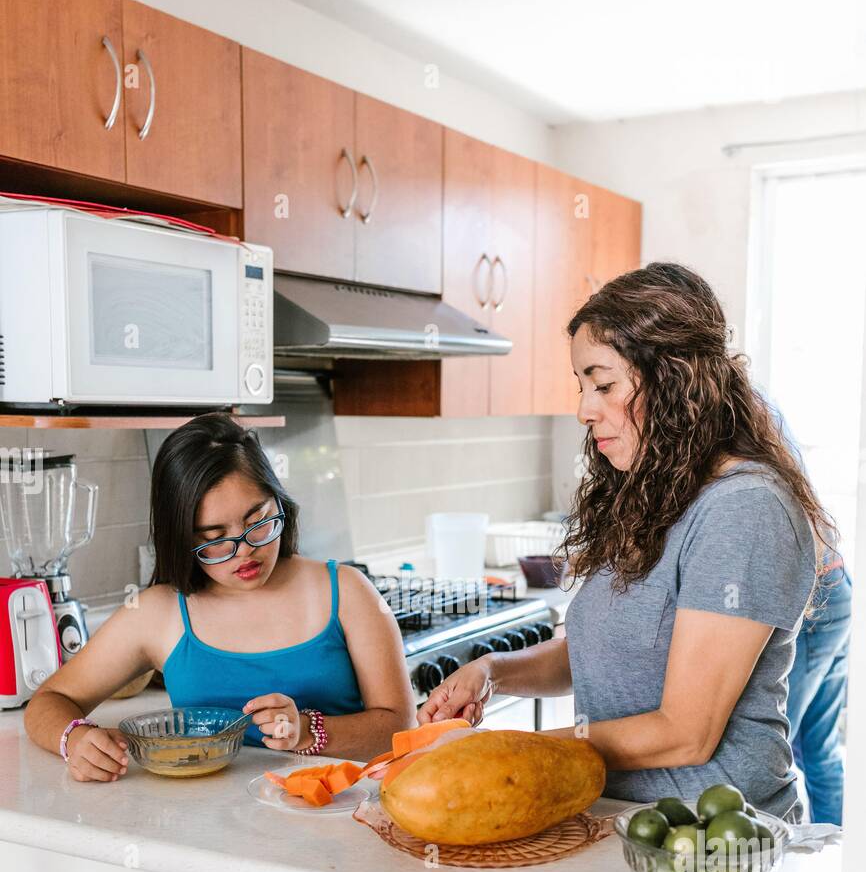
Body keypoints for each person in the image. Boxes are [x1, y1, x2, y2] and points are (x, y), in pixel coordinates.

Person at [418, 263, 836, 822]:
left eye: (604, 383)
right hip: (628, 826)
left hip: (715, 844)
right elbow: (602, 653)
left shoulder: (744, 509)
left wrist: (509, 750)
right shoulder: (652, 495)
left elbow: (685, 734)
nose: (584, 409)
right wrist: (494, 669)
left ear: (673, 379)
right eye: (583, 385)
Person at [24, 413, 415, 781]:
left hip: (336, 817)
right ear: (182, 539)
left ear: (279, 503)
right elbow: (49, 701)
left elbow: (399, 726)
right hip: (207, 831)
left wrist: (309, 731)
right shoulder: (156, 613)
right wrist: (74, 739)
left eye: (258, 522)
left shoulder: (346, 590)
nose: (244, 551)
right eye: (213, 540)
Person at [769, 407, 852, 825]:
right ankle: (835, 856)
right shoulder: (758, 406)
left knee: (779, 748)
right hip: (834, 583)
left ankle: (807, 855)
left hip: (814, 595)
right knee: (816, 748)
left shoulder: (735, 409)